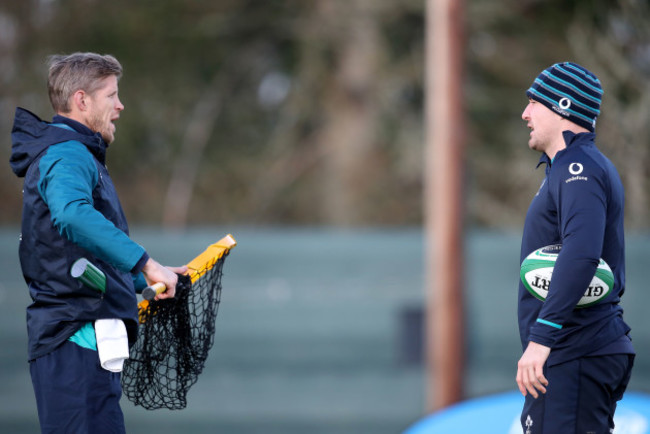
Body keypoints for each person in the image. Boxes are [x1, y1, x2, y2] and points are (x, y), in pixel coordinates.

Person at [10, 52, 187, 433]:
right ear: (81, 100)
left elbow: (79, 251)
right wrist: (145, 263)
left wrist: (143, 282)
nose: (120, 105)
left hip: (85, 339)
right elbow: (72, 215)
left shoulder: (76, 154)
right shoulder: (69, 154)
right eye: (112, 95)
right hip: (75, 338)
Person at [516, 61, 634, 433]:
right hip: (573, 354)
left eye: (534, 102)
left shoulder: (577, 168)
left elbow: (582, 254)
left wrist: (541, 338)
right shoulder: (567, 168)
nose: (525, 113)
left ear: (562, 107)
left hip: (575, 351)